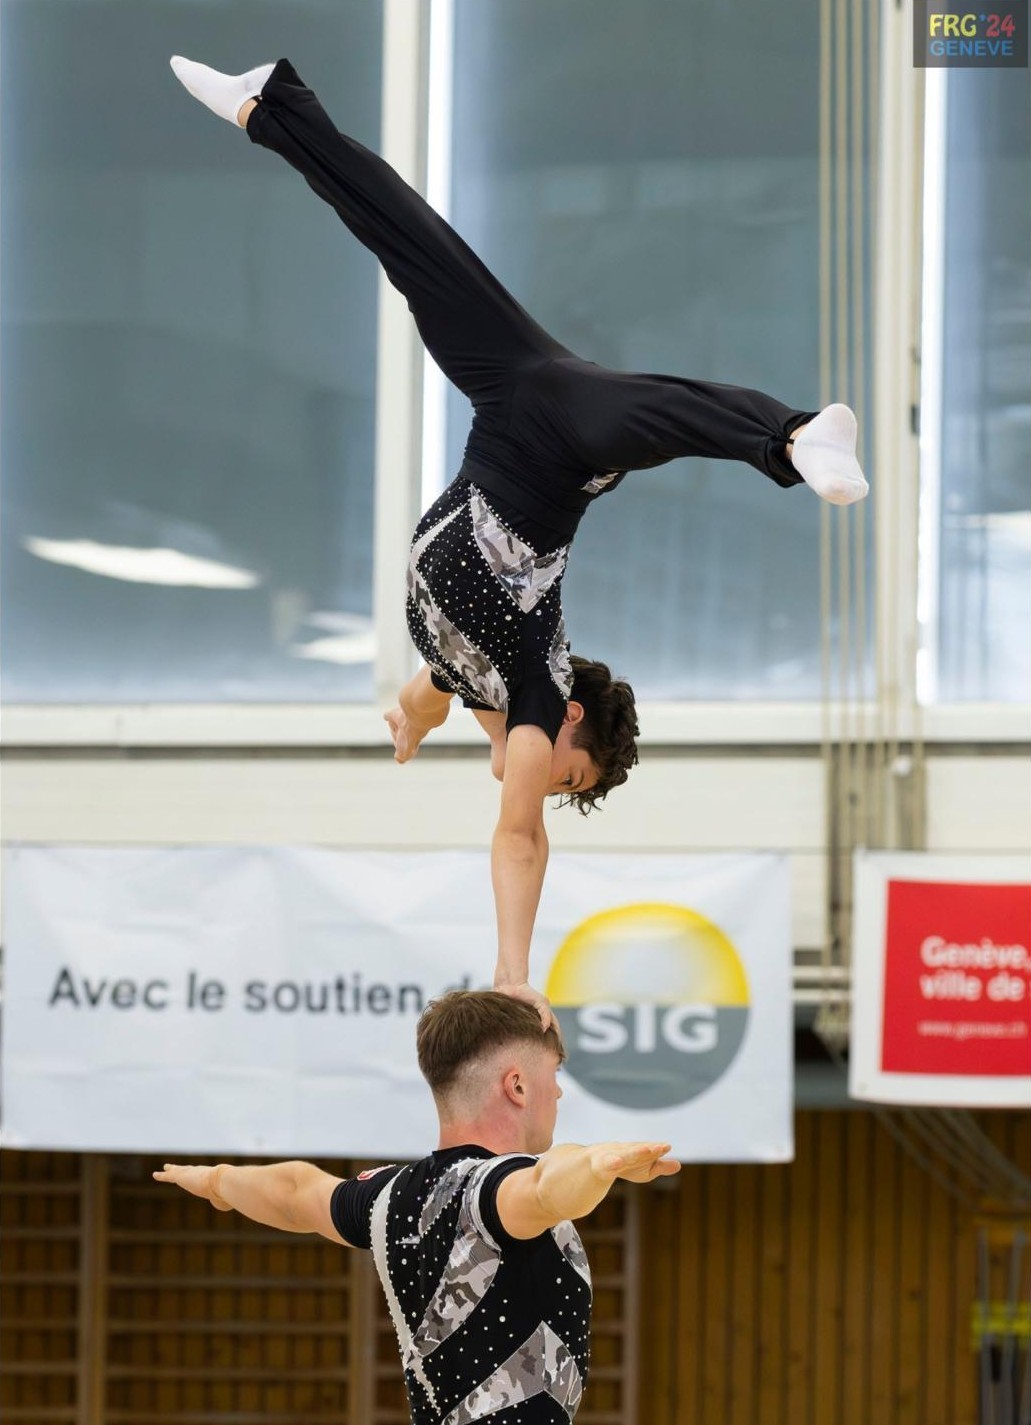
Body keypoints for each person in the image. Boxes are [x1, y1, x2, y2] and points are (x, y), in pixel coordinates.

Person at [169, 57, 870, 1029]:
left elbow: (426, 686)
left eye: (551, 775)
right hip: (560, 447)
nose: (532, 771)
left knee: (403, 240)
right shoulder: (535, 689)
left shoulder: (470, 681)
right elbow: (520, 840)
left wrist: (411, 718)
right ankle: (792, 438)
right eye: (563, 769)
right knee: (662, 413)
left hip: (506, 403)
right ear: (571, 725)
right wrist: (512, 968)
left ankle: (269, 105)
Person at [154, 989, 680, 1425]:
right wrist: (595, 1163)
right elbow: (549, 1187)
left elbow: (292, 1191)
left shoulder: (387, 1197)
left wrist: (217, 1182)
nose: (559, 1090)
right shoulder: (494, 1190)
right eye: (552, 1073)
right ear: (517, 1085)